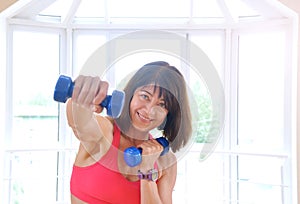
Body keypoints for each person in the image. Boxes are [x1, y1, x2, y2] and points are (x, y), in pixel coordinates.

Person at [66, 61, 192, 204]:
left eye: (162, 104)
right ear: (131, 94)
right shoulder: (105, 133)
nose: (149, 110)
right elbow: (79, 122)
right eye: (145, 96)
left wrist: (147, 172)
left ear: (169, 114)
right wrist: (83, 95)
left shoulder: (166, 161)